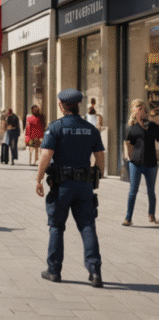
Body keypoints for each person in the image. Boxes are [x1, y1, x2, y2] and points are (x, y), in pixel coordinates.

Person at [36, 88, 105, 287]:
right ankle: (95, 272)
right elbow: (100, 156)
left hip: (62, 186)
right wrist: (96, 177)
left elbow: (46, 155)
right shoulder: (90, 129)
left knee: (57, 226)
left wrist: (38, 179)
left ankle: (54, 270)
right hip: (84, 185)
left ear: (61, 105)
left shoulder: (56, 127)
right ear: (78, 105)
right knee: (87, 226)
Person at [122, 99, 159, 227]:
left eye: (143, 107)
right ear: (133, 109)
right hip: (135, 163)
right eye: (138, 107)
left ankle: (152, 215)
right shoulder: (131, 127)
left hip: (152, 163)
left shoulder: (152, 126)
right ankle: (128, 218)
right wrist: (127, 156)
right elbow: (126, 143)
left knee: (151, 191)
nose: (141, 109)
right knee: (133, 191)